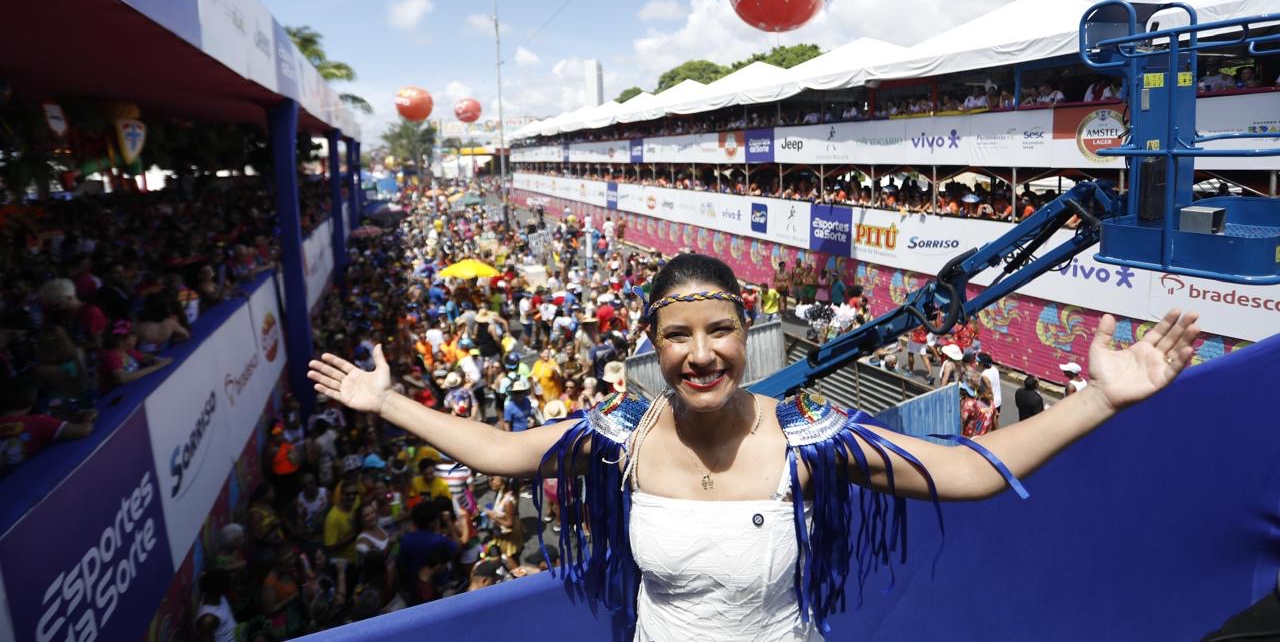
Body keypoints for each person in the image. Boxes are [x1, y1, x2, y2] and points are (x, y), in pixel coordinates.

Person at [309, 252, 1200, 639]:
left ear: (748, 332)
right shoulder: (615, 436)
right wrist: (388, 403)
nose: (702, 354)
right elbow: (502, 452)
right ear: (652, 346)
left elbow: (968, 471)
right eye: (679, 335)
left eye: (722, 330)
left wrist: (1102, 397)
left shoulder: (812, 442)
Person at [978, 353, 1002, 428]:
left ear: (982, 363)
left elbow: (990, 390)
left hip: (990, 403)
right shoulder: (994, 369)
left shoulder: (984, 376)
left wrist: (992, 406)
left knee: (985, 425)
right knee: (994, 423)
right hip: (998, 401)